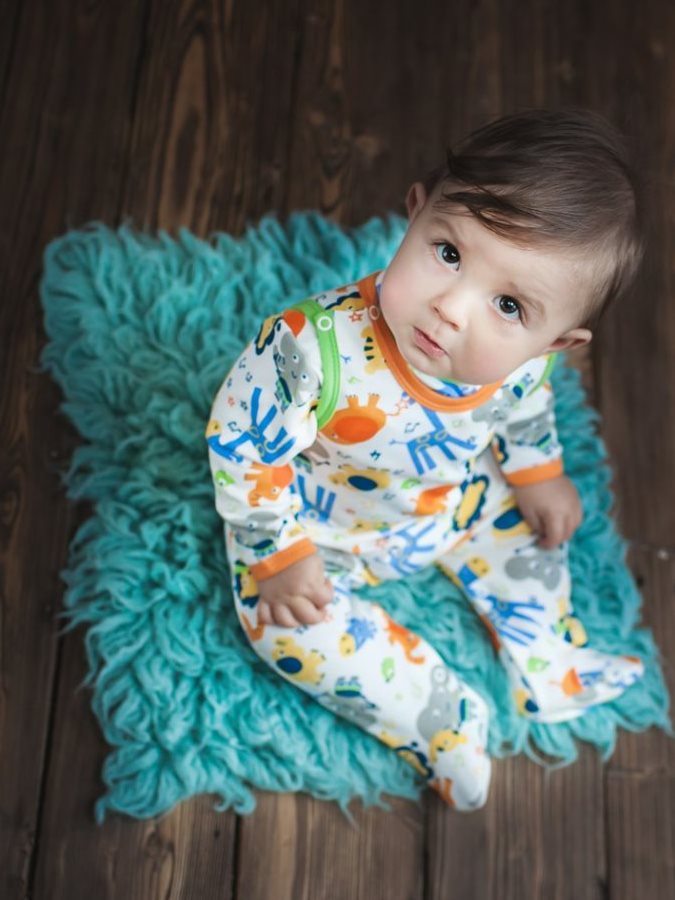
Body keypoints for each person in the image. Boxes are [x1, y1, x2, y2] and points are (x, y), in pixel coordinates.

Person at [205, 108, 646, 811]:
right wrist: (277, 552)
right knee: (281, 626)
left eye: (508, 305)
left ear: (556, 343)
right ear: (414, 213)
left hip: (447, 500)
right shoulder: (309, 350)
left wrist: (536, 471)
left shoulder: (521, 364)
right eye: (448, 253)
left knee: (529, 532)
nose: (451, 309)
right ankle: (438, 719)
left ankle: (551, 659)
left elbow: (525, 409)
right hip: (319, 527)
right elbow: (241, 444)